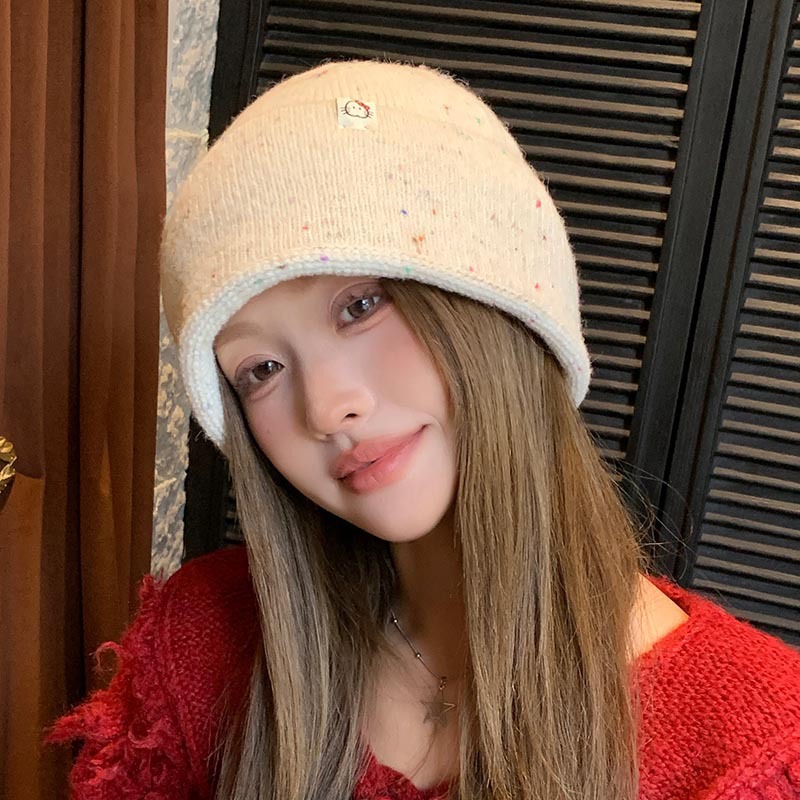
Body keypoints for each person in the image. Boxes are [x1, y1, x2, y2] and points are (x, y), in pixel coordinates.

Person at [44, 58, 800, 800]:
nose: (326, 409)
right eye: (261, 369)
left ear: (501, 307)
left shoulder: (753, 746)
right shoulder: (202, 642)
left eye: (361, 305)